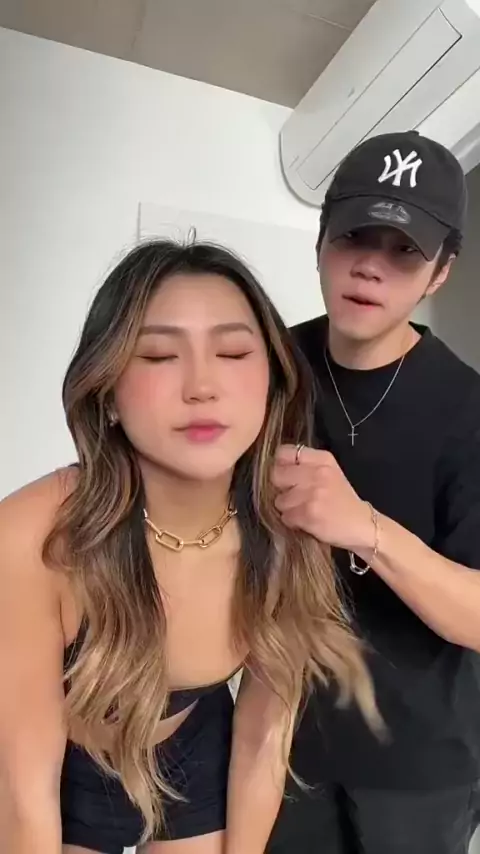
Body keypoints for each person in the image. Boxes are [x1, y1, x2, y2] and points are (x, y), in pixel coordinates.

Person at [0, 238, 378, 854]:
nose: (202, 386)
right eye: (158, 355)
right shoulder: (31, 535)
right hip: (63, 763)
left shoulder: (292, 522)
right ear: (107, 393)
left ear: (272, 382)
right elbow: (23, 796)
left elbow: (263, 736)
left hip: (193, 747)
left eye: (233, 352)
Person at [265, 130, 480, 854]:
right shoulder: (270, 368)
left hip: (421, 767)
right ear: (321, 240)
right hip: (285, 742)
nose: (370, 266)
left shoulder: (468, 410)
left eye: (405, 250)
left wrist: (363, 526)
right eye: (355, 235)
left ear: (440, 272)